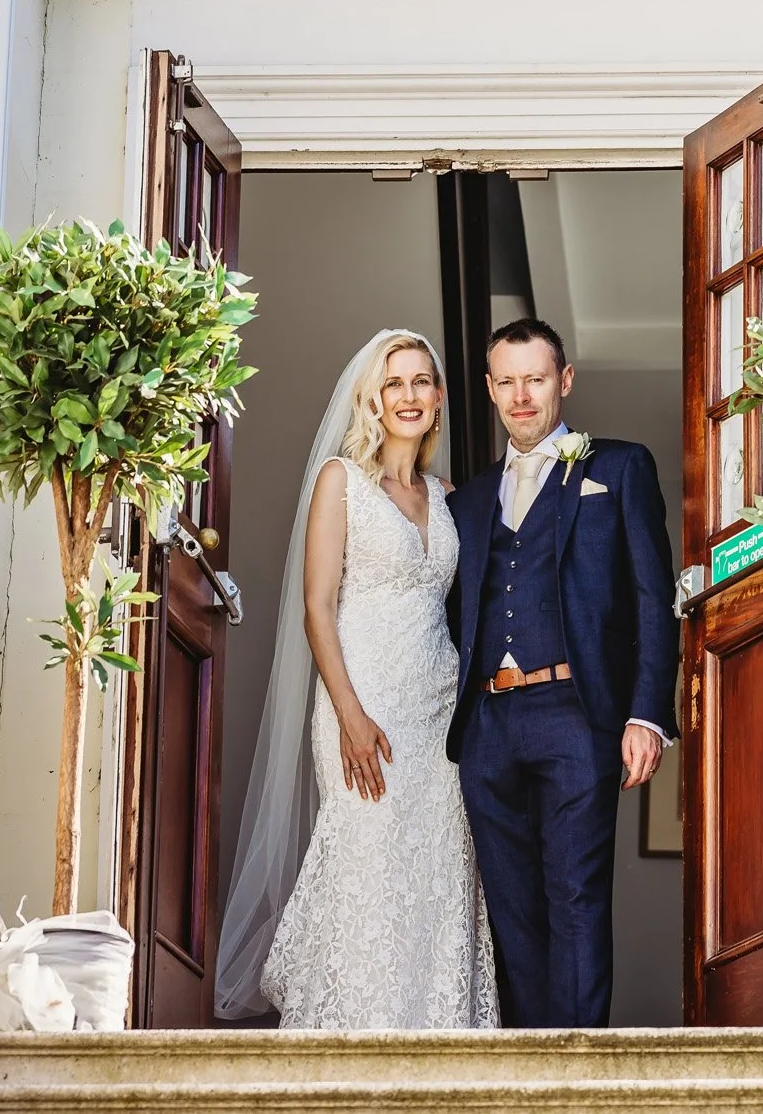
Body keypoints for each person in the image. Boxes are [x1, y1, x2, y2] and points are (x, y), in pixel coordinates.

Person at [213, 329, 497, 1027]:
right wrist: (350, 714)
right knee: (369, 860)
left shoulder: (449, 495)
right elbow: (317, 605)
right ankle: (357, 1034)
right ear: (372, 396)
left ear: (438, 399)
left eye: (422, 381)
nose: (409, 395)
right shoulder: (340, 480)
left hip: (437, 711)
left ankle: (432, 1038)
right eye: (395, 382)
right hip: (362, 696)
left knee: (437, 869)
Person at [446, 318, 681, 1029]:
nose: (522, 395)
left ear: (565, 380)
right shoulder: (467, 500)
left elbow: (651, 597)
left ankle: (576, 1075)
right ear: (490, 389)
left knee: (575, 893)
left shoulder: (619, 467)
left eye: (536, 378)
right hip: (488, 725)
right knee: (511, 908)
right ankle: (523, 1072)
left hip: (577, 715)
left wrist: (648, 714)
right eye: (508, 381)